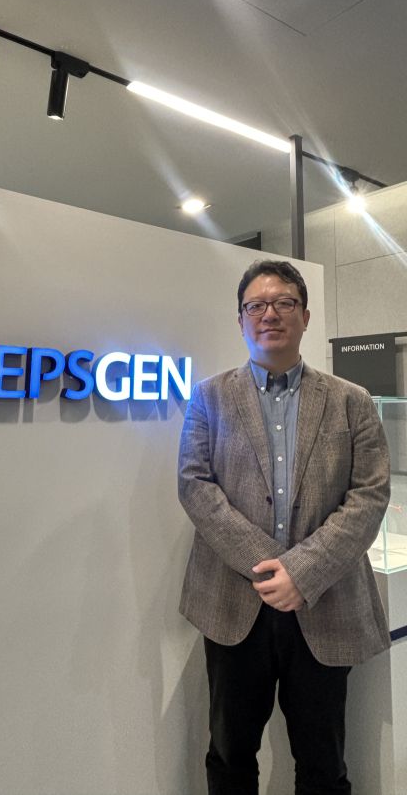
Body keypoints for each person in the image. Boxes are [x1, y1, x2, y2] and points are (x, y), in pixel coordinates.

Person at [178, 259, 391, 795]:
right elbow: (195, 485)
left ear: (305, 315)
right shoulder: (208, 396)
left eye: (284, 303)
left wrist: (301, 572)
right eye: (256, 305)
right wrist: (268, 565)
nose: (269, 314)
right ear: (241, 319)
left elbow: (369, 494)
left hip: (324, 603)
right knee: (230, 755)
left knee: (323, 762)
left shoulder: (351, 400)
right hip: (233, 603)